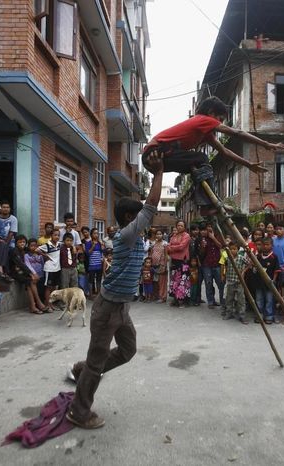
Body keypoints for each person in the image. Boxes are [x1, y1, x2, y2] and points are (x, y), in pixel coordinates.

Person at [65, 151, 164, 430]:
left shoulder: (132, 237)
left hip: (121, 308)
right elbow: (152, 205)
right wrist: (158, 173)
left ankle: (84, 370)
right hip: (108, 309)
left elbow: (148, 209)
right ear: (131, 218)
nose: (147, 221)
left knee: (128, 350)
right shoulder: (128, 235)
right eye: (140, 216)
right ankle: (79, 411)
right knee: (98, 362)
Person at [142, 96, 284, 216]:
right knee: (202, 159)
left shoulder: (206, 133)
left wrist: (248, 164)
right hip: (156, 151)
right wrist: (266, 143)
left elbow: (224, 151)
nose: (220, 123)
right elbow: (237, 133)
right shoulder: (203, 119)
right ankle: (207, 205)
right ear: (211, 112)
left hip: (160, 155)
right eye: (219, 119)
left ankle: (206, 204)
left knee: (197, 167)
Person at [10, 234, 46, 314]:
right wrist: (31, 274)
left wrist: (39, 252)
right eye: (20, 242)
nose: (22, 244)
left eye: (23, 242)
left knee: (29, 282)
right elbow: (20, 264)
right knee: (30, 281)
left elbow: (34, 249)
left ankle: (33, 306)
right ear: (16, 243)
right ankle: (38, 303)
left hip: (24, 272)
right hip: (15, 273)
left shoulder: (26, 249)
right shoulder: (14, 251)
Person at [221, 242, 250, 324]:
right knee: (229, 298)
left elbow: (249, 264)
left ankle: (242, 315)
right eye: (231, 249)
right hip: (230, 281)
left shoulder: (241, 258)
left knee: (241, 300)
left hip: (239, 282)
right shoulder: (227, 259)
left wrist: (244, 271)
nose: (232, 251)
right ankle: (229, 313)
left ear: (238, 250)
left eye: (234, 249)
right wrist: (224, 275)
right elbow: (225, 267)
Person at [254, 237, 279, 324]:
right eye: (263, 244)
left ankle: (269, 316)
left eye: (267, 244)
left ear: (272, 246)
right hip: (258, 282)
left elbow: (276, 271)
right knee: (259, 299)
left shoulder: (274, 257)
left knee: (269, 300)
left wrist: (273, 280)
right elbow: (255, 268)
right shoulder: (258, 256)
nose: (265, 246)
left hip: (269, 283)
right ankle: (259, 315)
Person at [167, 220, 191, 307]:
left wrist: (171, 248)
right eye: (178, 225)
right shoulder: (174, 235)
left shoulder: (186, 236)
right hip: (174, 261)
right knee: (174, 281)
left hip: (183, 262)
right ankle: (175, 300)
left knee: (183, 281)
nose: (179, 227)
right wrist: (172, 249)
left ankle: (183, 301)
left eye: (181, 225)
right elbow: (168, 247)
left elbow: (181, 247)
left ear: (184, 227)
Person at [200, 224, 224, 309]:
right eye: (207, 230)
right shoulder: (203, 239)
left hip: (217, 264)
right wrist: (203, 246)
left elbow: (221, 246)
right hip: (207, 265)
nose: (209, 231)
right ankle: (211, 301)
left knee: (221, 283)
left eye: (211, 230)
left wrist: (213, 238)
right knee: (208, 284)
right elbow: (202, 253)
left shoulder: (218, 237)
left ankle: (222, 302)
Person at [38, 228, 62, 308]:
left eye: (58, 235)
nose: (57, 237)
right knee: (48, 287)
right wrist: (45, 256)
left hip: (57, 268)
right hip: (49, 269)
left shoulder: (59, 244)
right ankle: (48, 304)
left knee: (54, 287)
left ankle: (51, 303)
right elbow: (37, 249)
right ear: (51, 236)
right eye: (55, 235)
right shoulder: (47, 245)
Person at [24, 238, 46, 306]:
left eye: (35, 246)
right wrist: (34, 273)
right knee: (35, 291)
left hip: (41, 275)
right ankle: (36, 304)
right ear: (28, 246)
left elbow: (42, 264)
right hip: (34, 276)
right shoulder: (27, 255)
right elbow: (28, 265)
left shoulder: (40, 255)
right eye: (31, 246)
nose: (33, 247)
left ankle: (42, 303)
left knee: (41, 290)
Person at [149, 230, 168, 303]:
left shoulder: (165, 244)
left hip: (161, 265)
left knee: (162, 282)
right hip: (154, 265)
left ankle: (162, 297)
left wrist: (165, 265)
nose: (158, 235)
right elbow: (151, 254)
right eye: (157, 234)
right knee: (155, 281)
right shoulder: (153, 243)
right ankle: (155, 296)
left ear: (163, 235)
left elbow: (166, 255)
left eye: (160, 234)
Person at [85, 228, 103, 298]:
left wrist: (101, 245)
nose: (96, 235)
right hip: (92, 265)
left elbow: (102, 252)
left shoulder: (99, 242)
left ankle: (98, 294)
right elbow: (88, 253)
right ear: (91, 235)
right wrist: (93, 245)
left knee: (98, 280)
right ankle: (91, 295)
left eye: (97, 233)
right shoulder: (88, 243)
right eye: (94, 233)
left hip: (99, 265)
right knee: (91, 280)